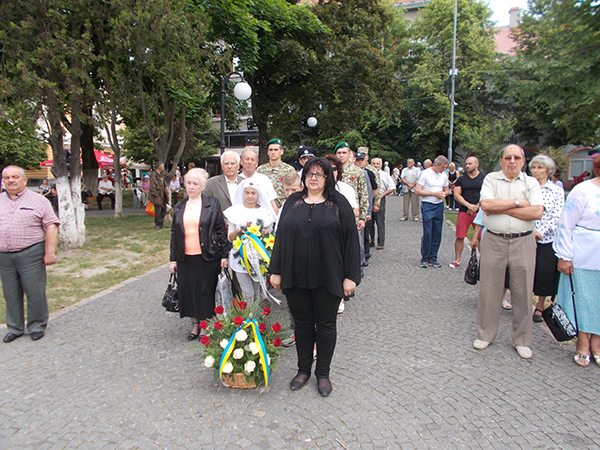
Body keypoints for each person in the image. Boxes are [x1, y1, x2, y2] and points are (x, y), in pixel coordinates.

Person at [269, 157, 361, 397]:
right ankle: (303, 370)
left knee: (326, 325)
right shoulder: (292, 202)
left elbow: (351, 242)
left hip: (328, 274)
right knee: (302, 325)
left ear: (327, 178)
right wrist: (275, 270)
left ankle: (323, 373)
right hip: (296, 274)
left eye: (319, 174)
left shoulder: (339, 204)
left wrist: (351, 277)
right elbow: (281, 237)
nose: (313, 178)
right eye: (310, 174)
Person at [474, 145, 544, 359]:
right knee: (489, 288)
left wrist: (500, 207)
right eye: (508, 157)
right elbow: (485, 204)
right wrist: (518, 203)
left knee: (522, 291)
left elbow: (537, 211)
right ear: (502, 160)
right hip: (494, 239)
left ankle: (522, 340)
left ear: (523, 161)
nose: (512, 161)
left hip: (523, 241)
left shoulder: (531, 182)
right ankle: (486, 334)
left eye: (516, 157)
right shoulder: (491, 180)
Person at [1, 166, 60, 343]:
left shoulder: (39, 201)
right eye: (6, 177)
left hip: (30, 253)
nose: (11, 180)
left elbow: (51, 226)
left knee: (34, 291)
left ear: (24, 180)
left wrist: (50, 252)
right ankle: (15, 327)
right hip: (4, 256)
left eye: (15, 177)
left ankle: (36, 325)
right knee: (10, 292)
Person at [169, 168, 229, 341]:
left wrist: (223, 255)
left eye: (195, 183)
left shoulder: (212, 203)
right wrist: (172, 259)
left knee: (205, 291)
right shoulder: (180, 206)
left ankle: (205, 324)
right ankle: (194, 323)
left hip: (208, 255)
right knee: (188, 291)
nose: (191, 187)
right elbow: (174, 233)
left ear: (202, 186)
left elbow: (220, 230)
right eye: (188, 183)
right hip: (185, 257)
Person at [553, 154, 600, 367]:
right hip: (583, 255)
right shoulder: (583, 190)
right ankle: (582, 342)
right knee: (584, 299)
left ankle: (597, 343)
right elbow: (566, 224)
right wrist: (564, 255)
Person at [224, 179, 276, 303]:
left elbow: (270, 237)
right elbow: (230, 237)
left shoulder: (265, 212)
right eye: (247, 193)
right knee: (248, 293)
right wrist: (238, 232)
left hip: (259, 259)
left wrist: (264, 233)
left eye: (253, 193)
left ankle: (256, 320)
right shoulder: (235, 211)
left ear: (258, 194)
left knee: (257, 292)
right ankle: (249, 319)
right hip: (240, 257)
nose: (250, 196)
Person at [529, 155, 564, 323]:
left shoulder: (556, 190)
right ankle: (524, 303)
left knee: (544, 271)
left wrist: (539, 232)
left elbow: (557, 216)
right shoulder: (527, 187)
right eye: (534, 167)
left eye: (540, 168)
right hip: (525, 234)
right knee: (523, 270)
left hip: (546, 238)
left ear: (548, 171)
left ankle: (540, 306)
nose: (536, 171)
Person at [449, 156, 484, 268]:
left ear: (477, 164)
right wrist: (468, 205)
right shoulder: (461, 179)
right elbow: (457, 195)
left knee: (480, 237)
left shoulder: (484, 178)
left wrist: (477, 206)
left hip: (479, 211)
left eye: (470, 164)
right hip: (464, 211)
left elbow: (487, 195)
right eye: (466, 164)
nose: (467, 166)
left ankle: (482, 260)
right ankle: (457, 260)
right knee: (460, 236)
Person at [415, 155, 449, 268]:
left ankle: (433, 257)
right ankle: (424, 257)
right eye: (443, 167)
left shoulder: (443, 175)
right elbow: (418, 190)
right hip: (428, 205)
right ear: (436, 165)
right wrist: (433, 193)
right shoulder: (425, 174)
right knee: (428, 232)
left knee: (437, 232)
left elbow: (447, 189)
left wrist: (444, 194)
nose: (444, 169)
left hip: (439, 205)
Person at [236, 149, 279, 215]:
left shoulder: (264, 180)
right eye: (247, 159)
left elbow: (272, 204)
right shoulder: (237, 180)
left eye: (252, 160)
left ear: (256, 164)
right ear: (241, 162)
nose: (249, 162)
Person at [257, 138, 295, 208]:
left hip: (284, 207)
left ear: (281, 151)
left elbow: (294, 190)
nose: (273, 152)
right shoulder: (260, 170)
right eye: (270, 150)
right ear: (267, 152)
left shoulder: (289, 169)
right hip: (266, 207)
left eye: (276, 150)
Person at [370, 157, 396, 250]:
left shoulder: (385, 175)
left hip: (380, 199)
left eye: (377, 164)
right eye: (374, 163)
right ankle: (371, 240)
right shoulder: (368, 173)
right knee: (369, 221)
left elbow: (392, 187)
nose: (375, 165)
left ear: (381, 165)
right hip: (370, 199)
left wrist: (383, 194)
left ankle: (381, 242)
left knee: (380, 222)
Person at [148, 162, 169, 230]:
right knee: (158, 210)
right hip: (157, 195)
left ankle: (161, 223)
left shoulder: (160, 175)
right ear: (159, 166)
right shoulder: (153, 175)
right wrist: (156, 195)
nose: (163, 167)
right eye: (162, 166)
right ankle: (158, 224)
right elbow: (152, 187)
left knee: (163, 209)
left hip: (163, 194)